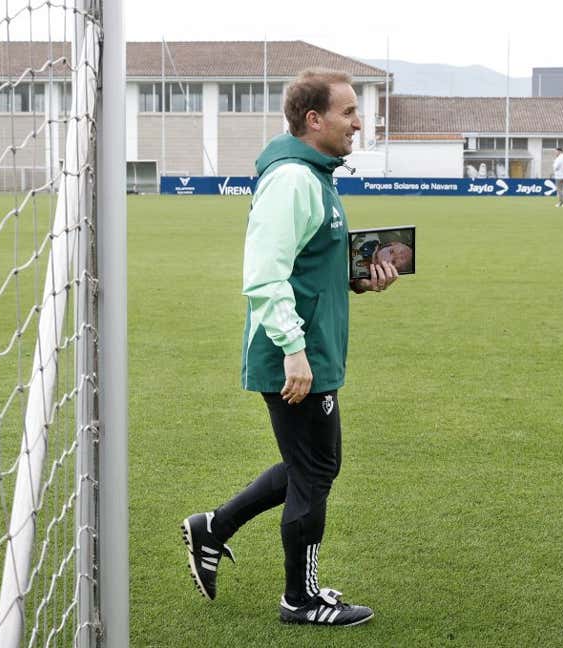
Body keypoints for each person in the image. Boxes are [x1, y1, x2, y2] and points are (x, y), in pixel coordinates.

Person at [181, 68, 398, 628]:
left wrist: (358, 278)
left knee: (314, 465)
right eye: (349, 111)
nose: (358, 121)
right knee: (315, 471)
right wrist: (294, 352)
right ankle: (298, 600)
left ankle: (214, 526)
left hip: (310, 348)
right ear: (313, 119)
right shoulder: (293, 180)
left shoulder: (316, 177)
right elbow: (263, 274)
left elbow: (308, 264)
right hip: (294, 353)